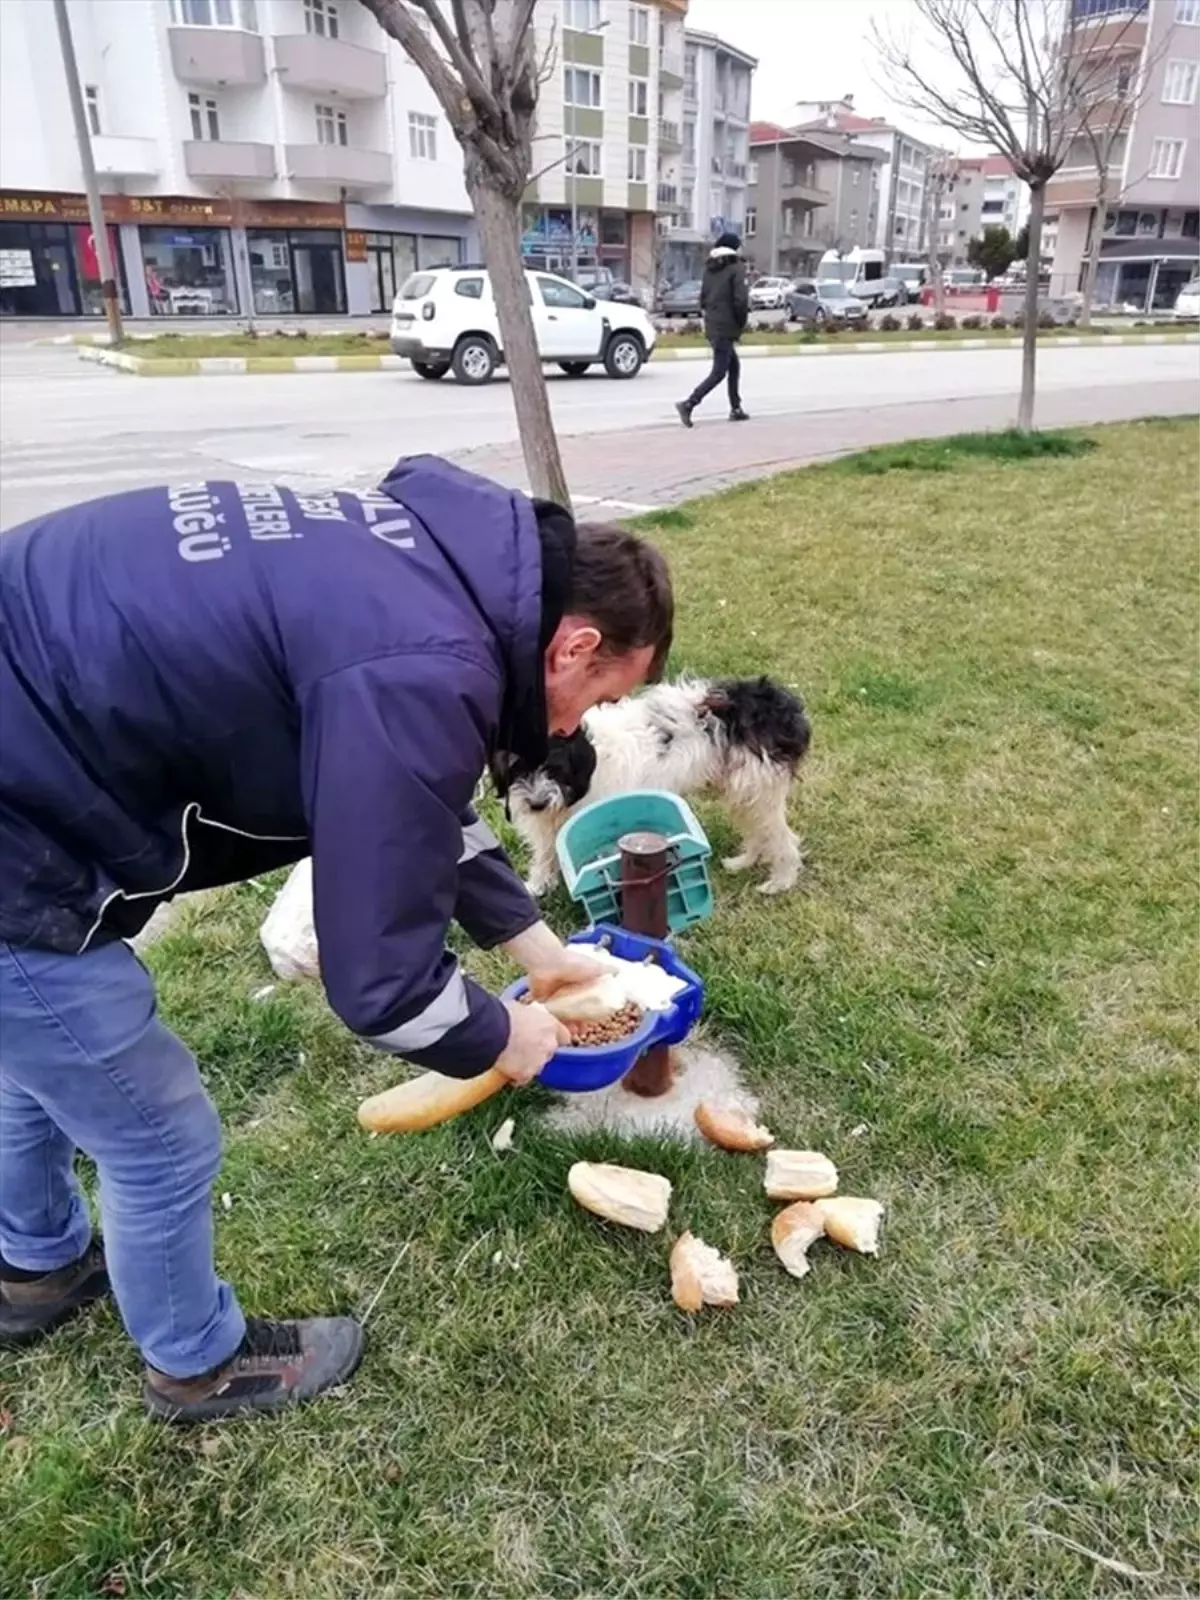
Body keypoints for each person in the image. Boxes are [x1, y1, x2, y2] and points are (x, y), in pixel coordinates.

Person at [0, 456, 673, 1423]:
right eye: (601, 696)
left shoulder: (424, 568)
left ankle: (36, 1266)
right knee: (156, 1134)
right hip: (16, 825)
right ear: (575, 645)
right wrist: (503, 1037)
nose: (583, 723)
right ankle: (197, 1366)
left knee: (39, 1057)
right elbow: (382, 982)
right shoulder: (423, 663)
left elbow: (412, 798)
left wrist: (534, 947)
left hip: (28, 722)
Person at [676, 231, 750, 428]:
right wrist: (740, 324)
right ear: (733, 247)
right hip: (727, 326)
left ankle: (736, 408)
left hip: (713, 325)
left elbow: (703, 299)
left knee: (733, 366)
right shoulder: (737, 268)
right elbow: (740, 301)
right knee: (719, 372)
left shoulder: (709, 269)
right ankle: (689, 404)